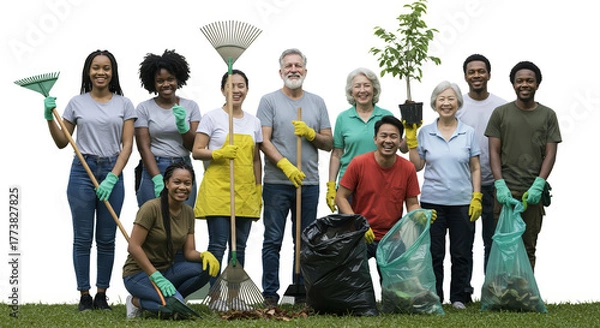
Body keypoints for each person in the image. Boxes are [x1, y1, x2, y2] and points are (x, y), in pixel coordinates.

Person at [43, 49, 136, 311]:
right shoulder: (76, 103)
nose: (101, 72)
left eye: (106, 68)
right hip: (82, 172)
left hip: (112, 171)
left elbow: (127, 146)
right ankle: (84, 295)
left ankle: (102, 294)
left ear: (113, 72)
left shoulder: (124, 104)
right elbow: (63, 142)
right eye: (96, 67)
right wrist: (50, 118)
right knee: (82, 238)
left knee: (107, 238)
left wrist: (113, 177)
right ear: (88, 71)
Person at [257, 48, 333, 306]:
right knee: (273, 238)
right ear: (281, 72)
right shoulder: (269, 101)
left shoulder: (317, 102)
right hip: (277, 183)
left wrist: (312, 135)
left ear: (305, 71)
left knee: (305, 241)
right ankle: (270, 294)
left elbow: (329, 142)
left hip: (309, 183)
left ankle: (300, 291)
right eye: (288, 66)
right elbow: (263, 141)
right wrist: (286, 165)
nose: (293, 69)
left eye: (297, 65)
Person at [406, 81, 482, 310]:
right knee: (434, 253)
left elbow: (475, 167)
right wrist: (411, 141)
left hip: (462, 202)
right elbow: (417, 166)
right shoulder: (425, 132)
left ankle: (459, 297)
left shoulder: (468, 132)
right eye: (441, 99)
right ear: (434, 103)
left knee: (461, 252)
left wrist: (476, 196)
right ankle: (435, 295)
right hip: (432, 202)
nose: (446, 103)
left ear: (458, 102)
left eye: (450, 99)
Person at [485, 61, 561, 271]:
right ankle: (501, 294)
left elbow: (551, 153)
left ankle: (526, 296)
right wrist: (500, 185)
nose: (524, 84)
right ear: (513, 84)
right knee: (503, 245)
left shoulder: (548, 115)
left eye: (529, 80)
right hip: (505, 193)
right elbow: (493, 152)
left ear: (537, 85)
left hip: (532, 195)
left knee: (528, 246)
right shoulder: (500, 114)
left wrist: (539, 184)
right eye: (520, 81)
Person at [192, 70, 262, 291]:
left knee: (239, 246)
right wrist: (218, 154)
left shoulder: (254, 122)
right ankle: (215, 295)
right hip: (218, 190)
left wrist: (258, 188)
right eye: (231, 85)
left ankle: (234, 295)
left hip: (244, 190)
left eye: (241, 85)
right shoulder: (212, 117)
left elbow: (256, 160)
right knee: (218, 245)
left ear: (247, 90)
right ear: (223, 90)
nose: (236, 90)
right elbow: (196, 150)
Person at [123, 162, 220, 318]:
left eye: (187, 183)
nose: (182, 187)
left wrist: (204, 255)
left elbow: (188, 253)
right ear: (167, 183)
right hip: (138, 274)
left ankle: (173, 298)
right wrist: (155, 276)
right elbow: (133, 247)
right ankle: (136, 301)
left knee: (206, 268)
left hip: (167, 271)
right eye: (177, 182)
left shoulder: (188, 212)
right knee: (173, 309)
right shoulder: (150, 208)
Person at [336, 115, 426, 276]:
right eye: (383, 136)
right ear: (375, 139)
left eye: (393, 136)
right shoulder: (359, 163)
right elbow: (341, 197)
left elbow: (412, 202)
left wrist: (419, 215)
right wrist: (359, 224)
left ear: (400, 141)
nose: (388, 141)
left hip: (393, 237)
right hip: (361, 235)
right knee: (355, 286)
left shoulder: (407, 168)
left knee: (397, 291)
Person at [455, 54, 507, 273]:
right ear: (465, 76)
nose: (476, 75)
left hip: (495, 184)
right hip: (464, 185)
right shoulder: (457, 106)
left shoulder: (501, 107)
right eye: (472, 72)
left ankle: (491, 289)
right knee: (463, 244)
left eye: (481, 71)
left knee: (494, 240)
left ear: (489, 74)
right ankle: (463, 294)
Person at [134, 49, 202, 208]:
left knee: (182, 223)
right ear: (153, 82)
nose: (166, 84)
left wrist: (182, 126)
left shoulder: (191, 106)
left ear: (178, 79)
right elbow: (143, 148)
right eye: (160, 80)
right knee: (151, 223)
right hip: (153, 167)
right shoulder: (144, 108)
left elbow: (194, 146)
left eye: (170, 79)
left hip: (183, 168)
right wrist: (157, 178)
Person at [326, 67, 394, 213]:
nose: (362, 90)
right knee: (349, 233)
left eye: (367, 85)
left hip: (380, 184)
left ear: (374, 89)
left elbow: (400, 148)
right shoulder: (343, 118)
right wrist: (331, 184)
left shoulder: (386, 116)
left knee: (380, 231)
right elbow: (337, 153)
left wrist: (411, 132)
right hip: (348, 187)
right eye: (357, 86)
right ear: (351, 91)